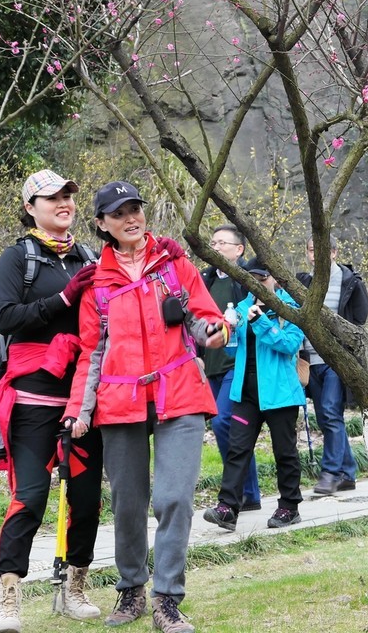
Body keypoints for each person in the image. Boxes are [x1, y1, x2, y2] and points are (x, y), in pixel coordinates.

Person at [64, 181, 227, 633]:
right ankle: (131, 589)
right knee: (128, 503)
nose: (131, 217)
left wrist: (215, 331)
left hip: (181, 394)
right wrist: (80, 409)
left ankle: (167, 602)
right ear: (101, 225)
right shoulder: (96, 284)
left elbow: (202, 319)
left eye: (135, 208)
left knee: (174, 498)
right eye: (119, 213)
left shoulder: (175, 266)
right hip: (120, 402)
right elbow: (90, 352)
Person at [0, 169, 103, 633]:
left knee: (88, 498)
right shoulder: (18, 259)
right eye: (51, 197)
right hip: (33, 399)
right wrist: (63, 297)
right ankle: (8, 597)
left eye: (68, 196)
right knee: (30, 496)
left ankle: (74, 588)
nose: (64, 203)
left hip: (85, 398)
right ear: (30, 207)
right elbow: (6, 317)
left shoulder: (91, 257)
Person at [202, 257, 306, 532]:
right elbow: (235, 352)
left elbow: (289, 345)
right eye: (252, 280)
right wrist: (228, 333)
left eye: (262, 279)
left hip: (279, 395)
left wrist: (260, 322)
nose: (256, 285)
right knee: (237, 450)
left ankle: (289, 507)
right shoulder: (243, 307)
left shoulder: (290, 308)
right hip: (246, 394)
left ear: (274, 279)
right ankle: (227, 508)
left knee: (284, 452)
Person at [296, 235, 368, 495]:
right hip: (310, 361)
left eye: (322, 250)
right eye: (312, 250)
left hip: (336, 360)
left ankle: (330, 472)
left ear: (335, 253)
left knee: (328, 412)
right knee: (329, 416)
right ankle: (347, 473)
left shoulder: (351, 282)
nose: (316, 255)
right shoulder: (303, 282)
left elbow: (360, 320)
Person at [200, 224, 262, 510]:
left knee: (226, 422)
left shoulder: (247, 280)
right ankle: (245, 491)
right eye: (213, 242)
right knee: (221, 424)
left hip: (236, 364)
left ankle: (241, 490)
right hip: (210, 365)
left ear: (239, 250)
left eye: (222, 242)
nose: (215, 247)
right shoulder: (205, 280)